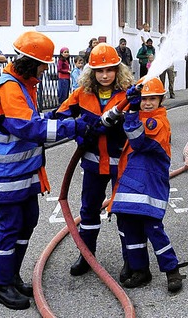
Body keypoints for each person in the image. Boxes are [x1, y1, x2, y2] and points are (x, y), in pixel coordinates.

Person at [0, 31, 88, 310]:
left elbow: (33, 120)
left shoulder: (23, 84)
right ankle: (3, 284)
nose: (43, 69)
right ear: (30, 62)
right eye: (41, 65)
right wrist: (74, 126)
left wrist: (60, 115)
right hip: (4, 176)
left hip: (20, 173)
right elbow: (28, 128)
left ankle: (12, 275)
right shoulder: (10, 88)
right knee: (11, 226)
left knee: (28, 221)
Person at [52, 43, 133, 278]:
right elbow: (61, 118)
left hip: (122, 165)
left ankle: (131, 261)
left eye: (110, 70)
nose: (105, 75)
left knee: (125, 212)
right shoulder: (81, 94)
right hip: (93, 165)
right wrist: (80, 131)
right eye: (100, 71)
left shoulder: (128, 94)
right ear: (92, 72)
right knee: (88, 211)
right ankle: (86, 256)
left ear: (118, 70)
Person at [108, 77, 187, 293]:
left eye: (153, 98)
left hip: (149, 186)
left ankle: (172, 270)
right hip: (131, 185)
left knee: (153, 228)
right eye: (143, 99)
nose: (148, 103)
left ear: (161, 99)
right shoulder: (138, 116)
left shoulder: (156, 122)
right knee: (130, 228)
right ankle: (140, 270)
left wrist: (132, 112)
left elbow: (138, 141)